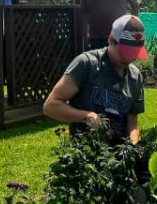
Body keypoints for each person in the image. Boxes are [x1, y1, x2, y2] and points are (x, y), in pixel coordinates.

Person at [43, 14, 147, 145]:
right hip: (86, 150)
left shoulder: (135, 76)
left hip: (119, 154)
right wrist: (87, 116)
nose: (128, 59)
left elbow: (132, 124)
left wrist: (133, 144)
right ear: (110, 40)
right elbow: (50, 106)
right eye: (124, 52)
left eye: (133, 54)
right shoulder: (87, 64)